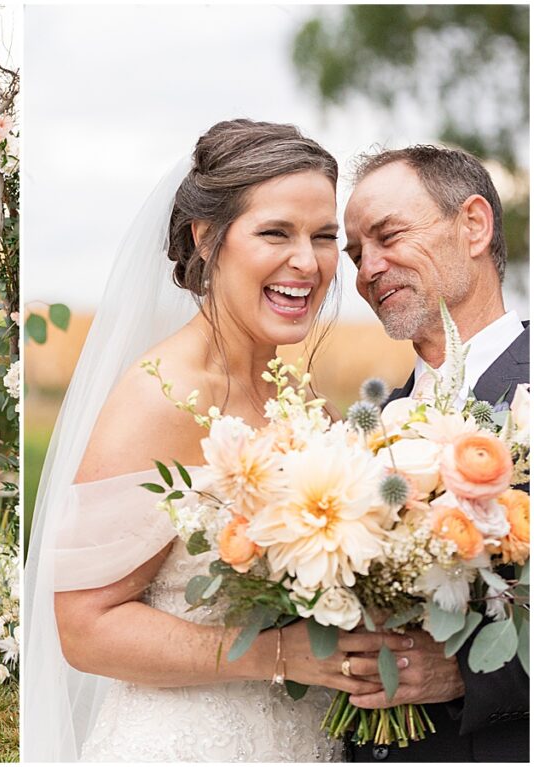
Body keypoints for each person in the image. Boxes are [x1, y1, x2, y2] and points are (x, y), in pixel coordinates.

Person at [24, 119, 398, 762]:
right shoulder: (158, 398)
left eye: (325, 237)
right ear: (207, 237)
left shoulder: (300, 397)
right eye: (275, 232)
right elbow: (85, 630)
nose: (307, 263)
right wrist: (282, 655)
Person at [342, 146, 529, 763]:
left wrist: (468, 675)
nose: (368, 268)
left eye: (388, 235)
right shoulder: (362, 432)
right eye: (354, 254)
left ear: (473, 225)